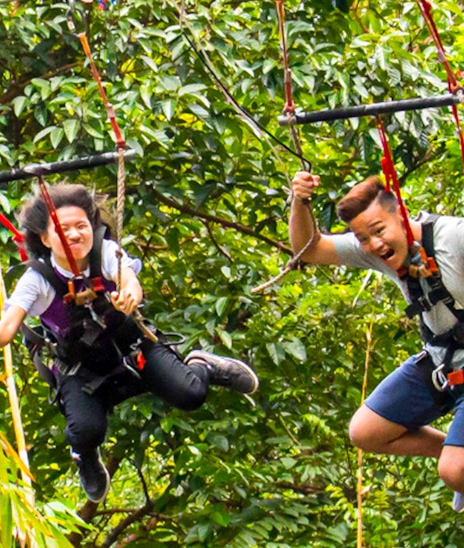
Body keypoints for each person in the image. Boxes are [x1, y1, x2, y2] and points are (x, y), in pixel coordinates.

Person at [0, 183, 258, 503]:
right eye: (63, 229)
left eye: (81, 226)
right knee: (84, 430)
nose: (74, 235)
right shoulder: (36, 279)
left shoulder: (105, 253)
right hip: (81, 368)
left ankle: (201, 366)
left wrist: (129, 294)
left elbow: (127, 278)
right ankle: (87, 457)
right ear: (45, 238)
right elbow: (7, 328)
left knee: (191, 394)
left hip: (131, 348)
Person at [290, 171, 464, 512]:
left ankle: (458, 463)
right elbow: (309, 249)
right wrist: (300, 200)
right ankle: (456, 452)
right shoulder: (375, 250)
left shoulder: (453, 236)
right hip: (443, 362)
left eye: (379, 231)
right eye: (363, 238)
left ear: (400, 213)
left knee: (453, 471)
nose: (374, 245)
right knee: (365, 432)